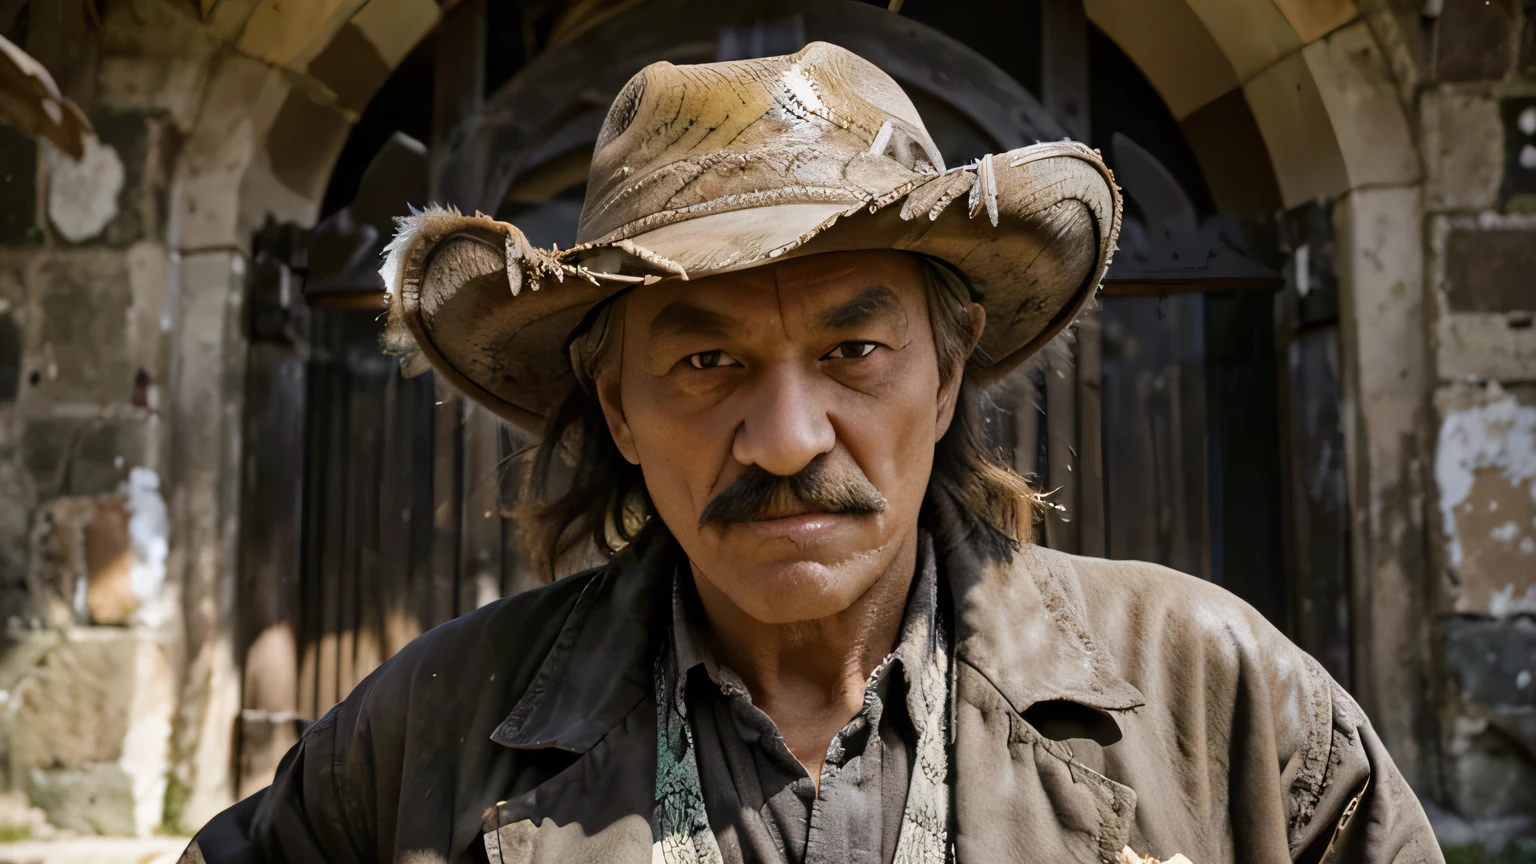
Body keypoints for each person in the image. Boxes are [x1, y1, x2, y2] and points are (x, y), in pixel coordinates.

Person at [181, 42, 1442, 864]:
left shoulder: (1220, 708)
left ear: (948, 376)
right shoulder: (425, 742)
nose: (786, 441)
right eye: (704, 362)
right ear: (616, 411)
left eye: (853, 353)